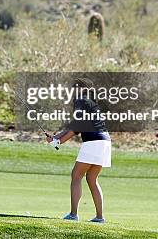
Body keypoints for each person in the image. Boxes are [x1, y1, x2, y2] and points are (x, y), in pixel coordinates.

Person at [46, 78, 111, 223]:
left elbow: (78, 126)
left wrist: (59, 141)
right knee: (92, 179)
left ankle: (73, 215)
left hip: (93, 141)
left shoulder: (80, 100)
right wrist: (56, 137)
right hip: (105, 141)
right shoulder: (90, 102)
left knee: (76, 176)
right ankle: (100, 217)